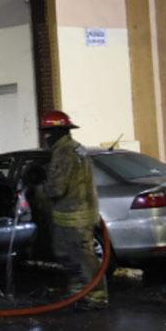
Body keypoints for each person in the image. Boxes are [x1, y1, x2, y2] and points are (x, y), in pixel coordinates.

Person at [33, 110, 108, 310]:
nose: (46, 136)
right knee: (73, 257)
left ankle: (95, 297)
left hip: (72, 217)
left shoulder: (63, 153)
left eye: (47, 132)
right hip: (79, 215)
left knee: (81, 259)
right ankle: (78, 294)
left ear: (56, 132)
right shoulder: (78, 149)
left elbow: (57, 188)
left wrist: (38, 187)